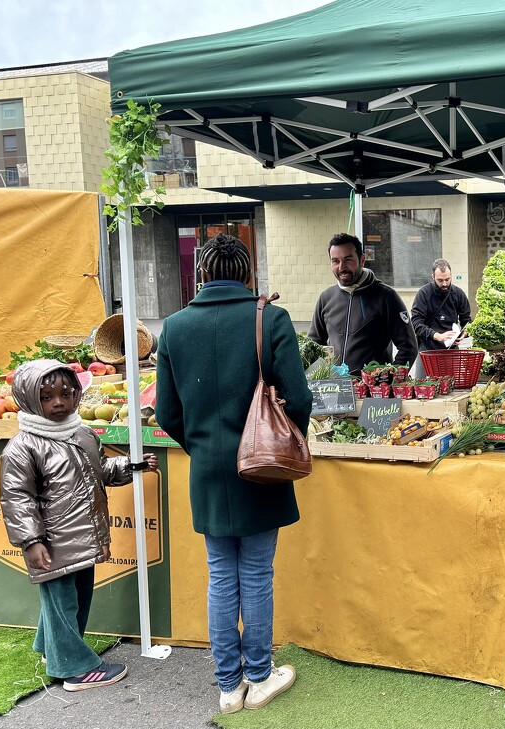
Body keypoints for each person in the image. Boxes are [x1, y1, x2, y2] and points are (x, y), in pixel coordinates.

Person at [155, 233, 312, 714]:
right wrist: (275, 442)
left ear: (200, 275)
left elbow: (165, 413)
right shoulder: (273, 318)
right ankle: (260, 677)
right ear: (248, 274)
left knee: (221, 575)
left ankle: (229, 686)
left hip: (206, 472)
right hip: (261, 470)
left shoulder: (174, 328)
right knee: (257, 573)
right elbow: (300, 399)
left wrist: (203, 447)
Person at [0, 360, 158, 691]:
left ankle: (50, 648)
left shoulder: (82, 433)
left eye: (66, 393)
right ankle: (73, 668)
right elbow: (17, 498)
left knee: (75, 597)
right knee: (61, 600)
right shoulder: (23, 447)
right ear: (28, 399)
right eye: (46, 396)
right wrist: (32, 540)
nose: (58, 403)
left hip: (84, 535)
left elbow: (99, 471)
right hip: (53, 541)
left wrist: (130, 465)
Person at [308, 232, 417, 374]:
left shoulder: (386, 297)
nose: (341, 267)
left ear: (362, 260)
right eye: (335, 261)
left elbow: (409, 347)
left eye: (348, 259)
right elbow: (313, 345)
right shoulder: (326, 298)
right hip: (336, 388)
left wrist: (390, 379)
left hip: (374, 392)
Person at [410, 258, 473, 351]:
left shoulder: (458, 294)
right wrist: (438, 336)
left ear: (451, 275)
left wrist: (462, 335)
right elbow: (416, 323)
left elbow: (467, 321)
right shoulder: (423, 294)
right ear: (433, 277)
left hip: (451, 348)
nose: (444, 284)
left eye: (447, 279)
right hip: (427, 348)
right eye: (440, 280)